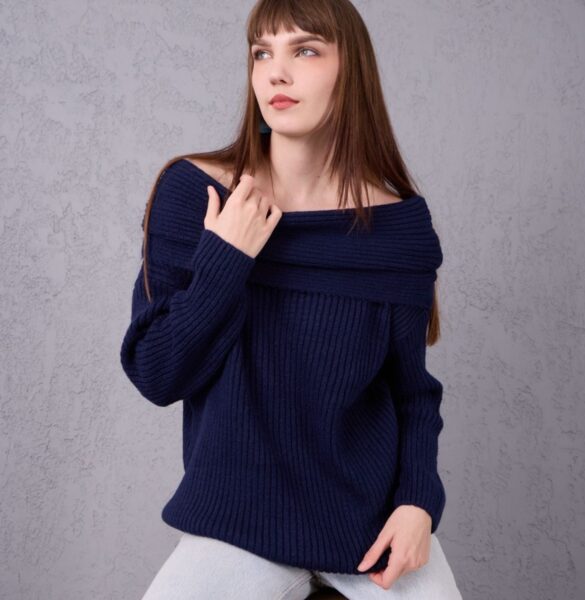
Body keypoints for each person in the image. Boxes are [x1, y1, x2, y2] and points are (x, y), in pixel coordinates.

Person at [120, 0, 463, 598]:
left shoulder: (399, 229)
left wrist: (418, 503)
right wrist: (226, 257)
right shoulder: (195, 192)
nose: (276, 72)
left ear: (350, 69)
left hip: (373, 525)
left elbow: (411, 391)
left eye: (305, 50)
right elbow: (156, 373)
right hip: (236, 519)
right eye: (262, 53)